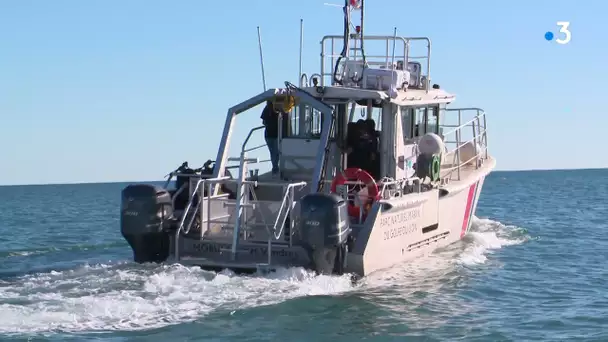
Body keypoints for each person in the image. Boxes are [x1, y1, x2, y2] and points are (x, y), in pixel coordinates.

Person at [260, 101, 288, 176]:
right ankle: (275, 168)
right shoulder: (279, 109)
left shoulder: (266, 109)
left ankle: (275, 168)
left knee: (273, 152)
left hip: (268, 134)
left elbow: (263, 122)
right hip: (275, 134)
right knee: (275, 152)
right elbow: (285, 118)